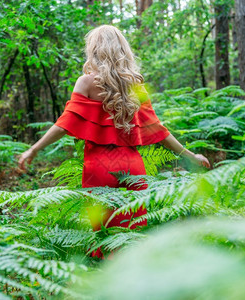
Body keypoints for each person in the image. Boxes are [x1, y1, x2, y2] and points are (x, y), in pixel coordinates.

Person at [18, 25, 210, 258]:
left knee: (104, 236)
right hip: (133, 168)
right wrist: (191, 156)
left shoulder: (86, 82)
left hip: (99, 168)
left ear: (94, 50)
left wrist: (34, 149)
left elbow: (64, 123)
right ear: (122, 49)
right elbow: (158, 130)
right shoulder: (135, 84)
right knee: (132, 237)